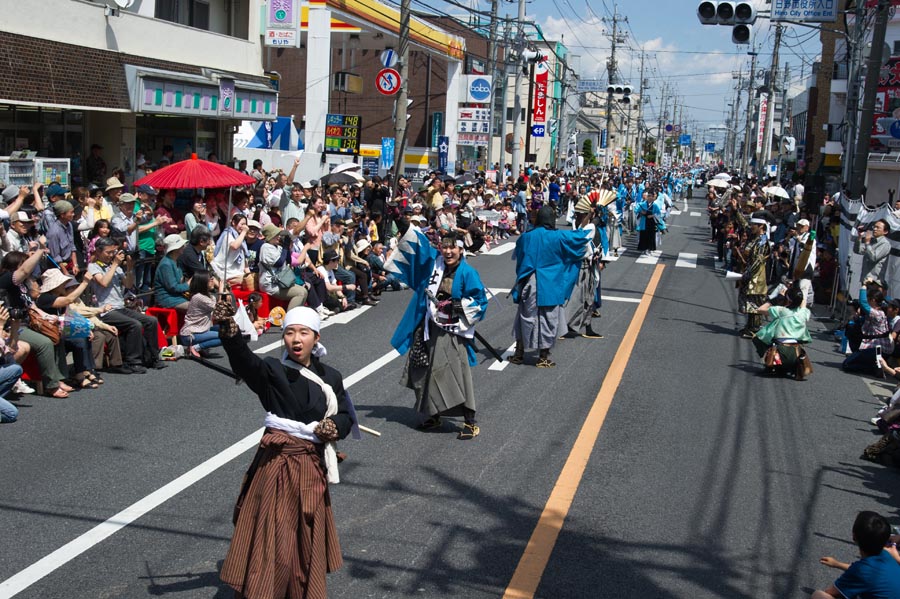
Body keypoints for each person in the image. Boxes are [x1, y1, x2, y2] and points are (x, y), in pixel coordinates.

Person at [215, 304, 354, 598]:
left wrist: (334, 426)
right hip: (277, 467)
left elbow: (344, 415)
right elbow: (244, 363)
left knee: (304, 537)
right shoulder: (272, 370)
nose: (296, 339)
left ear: (316, 337)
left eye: (304, 332)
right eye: (290, 332)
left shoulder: (331, 376)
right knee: (274, 535)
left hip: (310, 466)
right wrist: (230, 332)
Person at [389, 228, 488, 440]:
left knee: (455, 372)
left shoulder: (468, 273)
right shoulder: (435, 267)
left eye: (453, 247)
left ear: (461, 250)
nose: (449, 251)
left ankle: (470, 421)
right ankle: (433, 415)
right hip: (428, 326)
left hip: (452, 331)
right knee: (423, 370)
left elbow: (480, 301)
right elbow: (418, 251)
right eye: (445, 246)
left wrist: (457, 306)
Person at [509, 206, 591, 368]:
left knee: (525, 317)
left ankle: (519, 353)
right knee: (548, 319)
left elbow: (519, 259)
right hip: (550, 284)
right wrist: (590, 217)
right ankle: (543, 357)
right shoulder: (558, 236)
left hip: (529, 283)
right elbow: (582, 237)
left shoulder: (526, 237)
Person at [0, 250, 74, 397]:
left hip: (29, 321)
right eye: (24, 262)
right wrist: (40, 250)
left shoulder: (23, 285)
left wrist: (47, 317)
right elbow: (24, 270)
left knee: (57, 332)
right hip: (14, 324)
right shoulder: (7, 278)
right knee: (44, 342)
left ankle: (59, 378)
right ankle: (51, 386)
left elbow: (32, 306)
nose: (30, 266)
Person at [87, 237, 166, 373]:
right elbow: (104, 282)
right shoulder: (93, 266)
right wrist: (115, 265)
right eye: (108, 252)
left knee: (151, 320)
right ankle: (133, 361)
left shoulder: (115, 267)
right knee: (134, 324)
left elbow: (128, 284)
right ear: (99, 252)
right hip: (106, 310)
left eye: (113, 252)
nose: (111, 255)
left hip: (121, 307)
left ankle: (153, 357)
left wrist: (129, 268)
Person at [35, 269, 100, 389]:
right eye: (62, 283)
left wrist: (84, 327)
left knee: (84, 335)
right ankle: (80, 375)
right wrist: (84, 283)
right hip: (49, 332)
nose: (65, 285)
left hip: (60, 330)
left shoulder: (57, 296)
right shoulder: (45, 298)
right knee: (78, 340)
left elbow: (67, 316)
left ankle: (86, 371)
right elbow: (68, 300)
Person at [813, 511, 900, 599]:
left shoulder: (861, 570)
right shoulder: (887, 556)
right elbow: (867, 573)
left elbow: (831, 592)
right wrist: (837, 564)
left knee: (818, 595)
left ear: (854, 536)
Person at [560, 197, 603, 340]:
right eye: (579, 215)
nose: (579, 217)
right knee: (576, 298)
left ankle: (587, 326)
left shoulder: (582, 228)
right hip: (580, 267)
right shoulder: (582, 229)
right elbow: (589, 227)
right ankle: (563, 327)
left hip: (588, 266)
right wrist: (593, 216)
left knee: (588, 298)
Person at [752, 284, 812, 377]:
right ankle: (790, 367)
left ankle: (771, 365)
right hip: (796, 354)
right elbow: (803, 303)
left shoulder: (781, 311)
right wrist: (798, 293)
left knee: (757, 338)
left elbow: (760, 309)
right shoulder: (804, 313)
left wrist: (775, 299)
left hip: (780, 351)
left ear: (788, 299)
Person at [258, 224, 309, 311]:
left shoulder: (277, 247)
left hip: (280, 282)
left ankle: (295, 315)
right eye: (276, 235)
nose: (278, 237)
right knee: (300, 293)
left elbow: (288, 260)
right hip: (271, 284)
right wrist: (285, 246)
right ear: (270, 236)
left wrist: (287, 244)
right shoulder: (266, 247)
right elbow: (279, 263)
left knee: (304, 291)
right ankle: (289, 317)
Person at [736, 217, 771, 338]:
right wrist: (736, 211)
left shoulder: (763, 241)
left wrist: (748, 273)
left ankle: (755, 329)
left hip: (756, 276)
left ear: (761, 226)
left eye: (754, 225)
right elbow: (744, 225)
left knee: (755, 303)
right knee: (748, 302)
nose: (751, 227)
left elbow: (758, 260)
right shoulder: (754, 237)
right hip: (748, 272)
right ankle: (749, 327)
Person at [178, 271, 221, 358]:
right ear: (203, 282)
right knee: (225, 337)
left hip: (202, 329)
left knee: (224, 329)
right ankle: (196, 347)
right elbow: (219, 309)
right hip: (191, 334)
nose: (213, 281)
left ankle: (200, 346)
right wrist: (220, 291)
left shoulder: (210, 297)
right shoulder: (198, 297)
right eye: (210, 279)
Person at [153, 234, 190, 311]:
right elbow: (173, 287)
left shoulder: (176, 261)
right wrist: (188, 285)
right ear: (175, 248)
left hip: (177, 297)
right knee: (196, 308)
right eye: (181, 246)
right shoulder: (166, 265)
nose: (184, 247)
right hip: (167, 299)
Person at [211, 213, 249, 286]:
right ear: (234, 223)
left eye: (245, 224)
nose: (244, 227)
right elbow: (234, 246)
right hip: (225, 271)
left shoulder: (241, 238)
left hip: (237, 271)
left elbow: (245, 261)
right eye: (242, 224)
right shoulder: (228, 234)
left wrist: (249, 275)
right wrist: (244, 232)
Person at [854, 219, 891, 285]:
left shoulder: (885, 244)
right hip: (866, 279)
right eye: (874, 227)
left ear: (885, 231)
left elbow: (873, 258)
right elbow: (857, 250)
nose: (875, 229)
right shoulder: (872, 241)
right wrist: (860, 236)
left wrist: (867, 243)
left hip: (874, 282)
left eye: (878, 227)